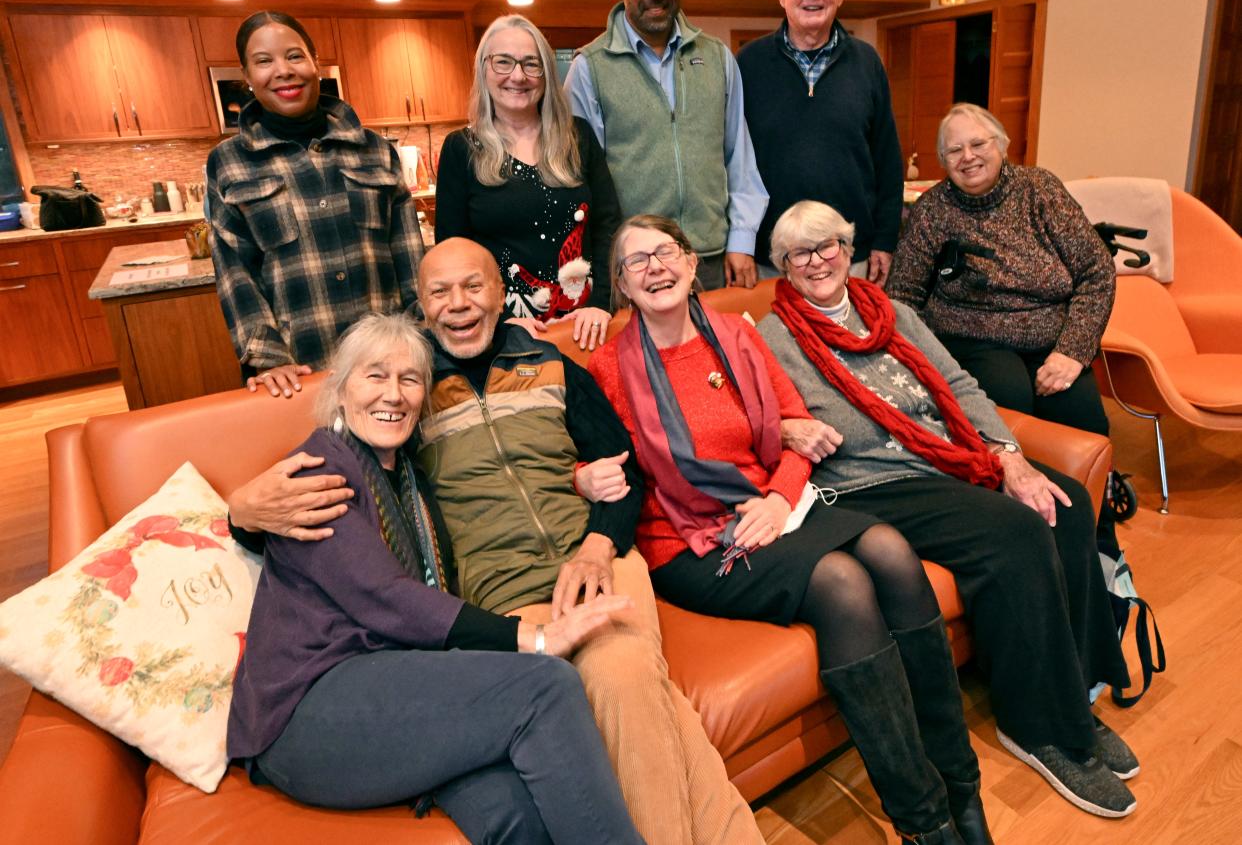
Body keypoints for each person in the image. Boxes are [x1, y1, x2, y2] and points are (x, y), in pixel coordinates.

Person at [228, 237, 765, 845]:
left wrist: (594, 537)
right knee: (624, 687)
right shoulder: (385, 429)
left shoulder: (546, 369)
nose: (459, 304)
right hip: (492, 601)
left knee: (618, 676)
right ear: (422, 309)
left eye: (474, 286)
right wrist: (240, 511)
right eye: (440, 292)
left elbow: (624, 468)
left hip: (592, 563)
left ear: (499, 292)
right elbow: (352, 562)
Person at [588, 215, 990, 845]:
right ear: (621, 285)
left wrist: (778, 500)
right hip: (691, 540)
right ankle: (926, 823)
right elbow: (596, 461)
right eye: (636, 261)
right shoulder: (608, 368)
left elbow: (797, 427)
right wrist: (587, 477)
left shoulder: (737, 337)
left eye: (665, 252)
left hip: (771, 505)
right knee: (840, 581)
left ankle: (960, 787)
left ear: (693, 263)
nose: (655, 268)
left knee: (890, 548)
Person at [757, 200, 1139, 820]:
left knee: (1064, 506)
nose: (818, 260)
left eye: (827, 244)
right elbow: (760, 417)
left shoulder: (893, 311)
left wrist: (1007, 453)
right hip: (871, 484)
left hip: (948, 457)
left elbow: (958, 383)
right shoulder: (772, 337)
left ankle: (1076, 696)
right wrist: (791, 428)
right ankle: (1038, 727)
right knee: (1017, 531)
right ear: (784, 266)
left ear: (848, 246)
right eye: (800, 253)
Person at [227, 313, 642, 843]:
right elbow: (386, 598)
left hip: (397, 688)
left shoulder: (410, 477)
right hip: (308, 713)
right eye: (375, 376)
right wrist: (533, 638)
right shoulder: (318, 469)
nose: (394, 394)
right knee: (547, 686)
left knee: (516, 813)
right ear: (340, 390)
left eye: (410, 379)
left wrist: (577, 481)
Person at [208, 11, 423, 398]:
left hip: (390, 361)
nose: (282, 71)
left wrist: (420, 333)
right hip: (299, 371)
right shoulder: (229, 161)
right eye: (264, 61)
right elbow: (234, 270)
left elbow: (408, 253)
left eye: (294, 56)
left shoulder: (374, 149)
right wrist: (269, 358)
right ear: (246, 75)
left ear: (314, 62)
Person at [888, 102, 1115, 436]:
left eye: (978, 144)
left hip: (1052, 341)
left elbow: (1097, 272)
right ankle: (1011, 484)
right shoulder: (932, 210)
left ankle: (1082, 487)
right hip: (973, 340)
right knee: (1009, 402)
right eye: (954, 150)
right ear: (943, 160)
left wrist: (1072, 351)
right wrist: (931, 361)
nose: (968, 156)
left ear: (1001, 145)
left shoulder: (1041, 190)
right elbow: (902, 296)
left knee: (1083, 421)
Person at [565, 0, 767, 291]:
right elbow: (583, 183)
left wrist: (742, 241)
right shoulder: (589, 68)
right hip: (636, 266)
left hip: (712, 260)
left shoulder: (718, 59)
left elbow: (740, 158)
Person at [436, 15, 621, 351]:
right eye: (503, 62)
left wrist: (602, 305)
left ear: (547, 74)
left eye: (531, 64)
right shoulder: (460, 149)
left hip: (588, 328)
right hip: (507, 334)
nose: (517, 76)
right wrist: (501, 318)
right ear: (484, 69)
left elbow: (609, 225)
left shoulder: (578, 137)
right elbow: (452, 256)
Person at [737, 0, 903, 286]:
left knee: (849, 340)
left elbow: (887, 159)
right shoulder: (748, 64)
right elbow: (731, 161)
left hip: (848, 257)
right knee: (773, 341)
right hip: (771, 258)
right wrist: (738, 243)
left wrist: (885, 239)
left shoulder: (867, 62)